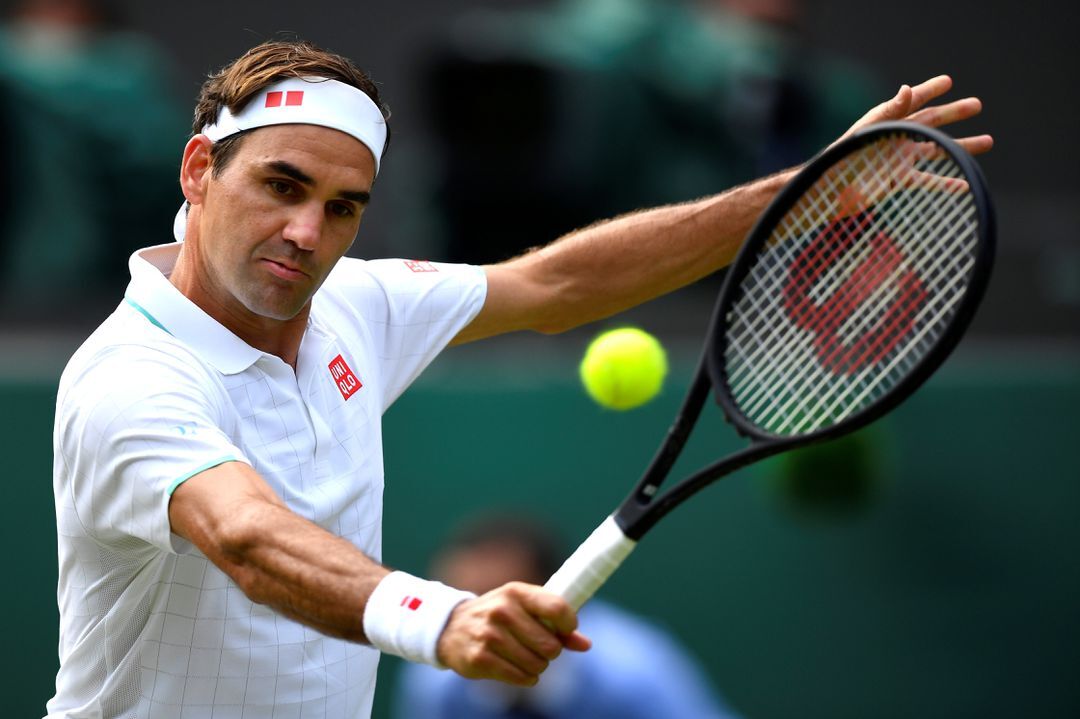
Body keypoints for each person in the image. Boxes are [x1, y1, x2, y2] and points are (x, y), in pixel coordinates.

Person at [47, 38, 991, 719]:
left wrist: (799, 192)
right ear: (200, 170)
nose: (309, 233)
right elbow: (247, 538)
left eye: (343, 208)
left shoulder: (356, 307)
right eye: (282, 187)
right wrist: (442, 616)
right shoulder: (130, 379)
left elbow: (560, 281)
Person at [394, 512, 744, 719]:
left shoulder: (633, 671)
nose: (471, 626)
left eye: (490, 604)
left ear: (547, 604)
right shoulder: (436, 684)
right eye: (459, 607)